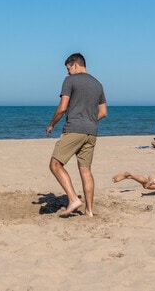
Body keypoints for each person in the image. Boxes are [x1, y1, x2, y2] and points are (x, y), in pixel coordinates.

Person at [46, 53, 107, 218]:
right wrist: (89, 120)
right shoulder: (98, 84)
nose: (67, 72)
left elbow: (62, 107)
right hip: (91, 131)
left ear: (75, 65)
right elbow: (103, 112)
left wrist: (51, 124)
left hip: (74, 129)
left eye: (68, 68)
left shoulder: (70, 81)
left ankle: (73, 199)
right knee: (86, 170)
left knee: (55, 165)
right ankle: (89, 211)